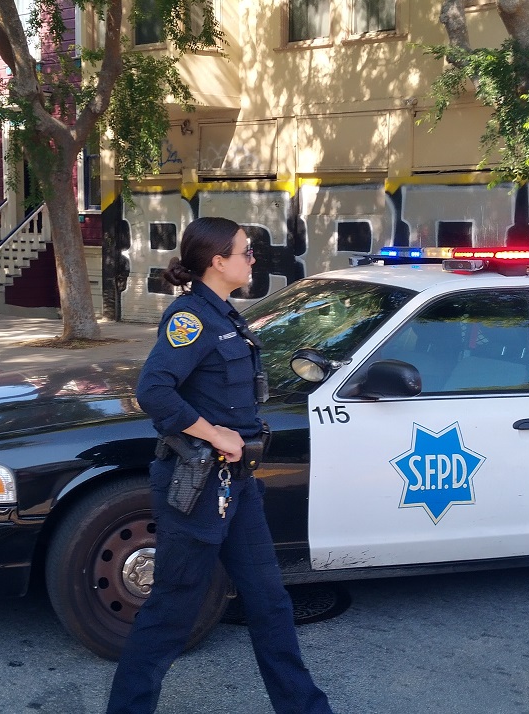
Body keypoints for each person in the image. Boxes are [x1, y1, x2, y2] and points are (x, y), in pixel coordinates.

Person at [106, 217, 334, 714]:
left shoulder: (227, 316)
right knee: (171, 610)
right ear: (218, 261)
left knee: (270, 603)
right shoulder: (191, 318)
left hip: (238, 485)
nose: (253, 259)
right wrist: (214, 433)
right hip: (198, 487)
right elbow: (154, 390)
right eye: (246, 252)